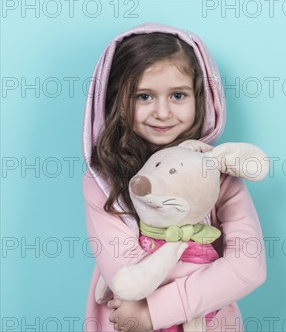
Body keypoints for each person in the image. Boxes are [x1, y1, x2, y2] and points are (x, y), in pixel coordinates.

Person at [81, 22, 267, 332]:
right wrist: (211, 280)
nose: (163, 112)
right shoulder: (103, 180)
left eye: (178, 95)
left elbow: (249, 267)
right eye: (144, 96)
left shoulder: (218, 175)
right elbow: (127, 274)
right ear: (116, 100)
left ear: (200, 98)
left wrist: (154, 312)